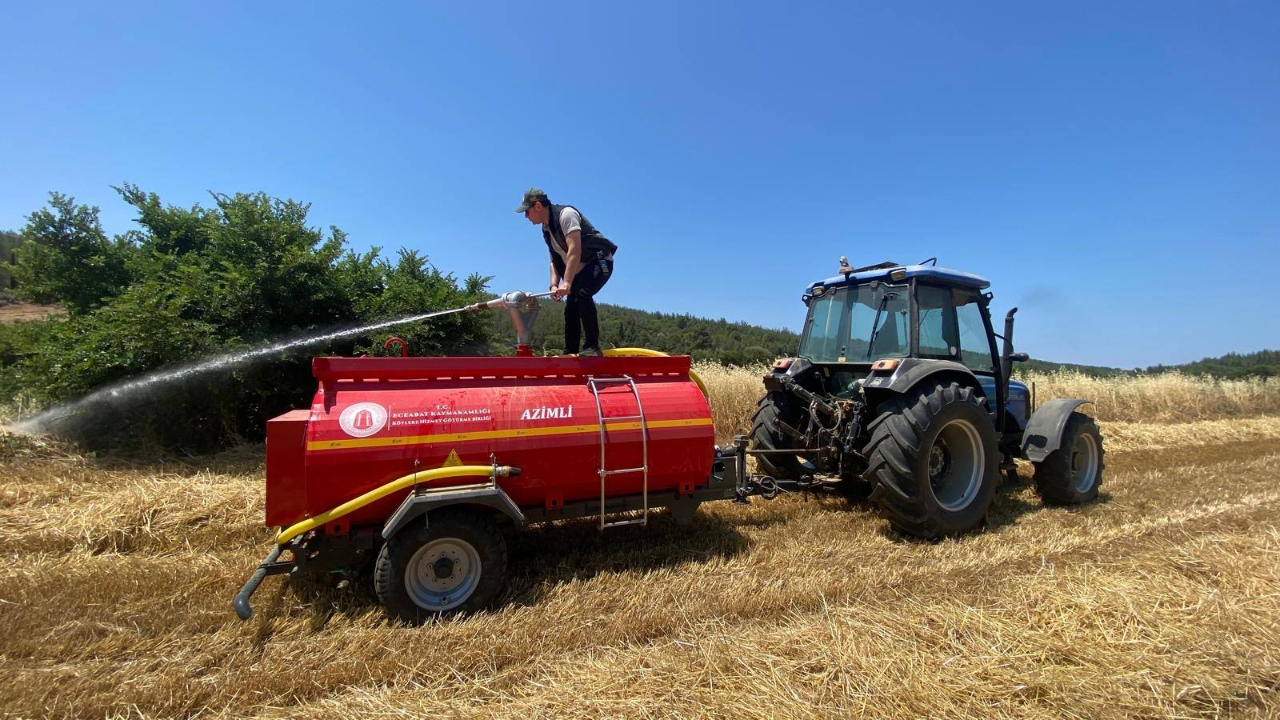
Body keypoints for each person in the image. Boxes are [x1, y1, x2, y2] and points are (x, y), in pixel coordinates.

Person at [516, 188, 618, 356]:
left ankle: (592, 347)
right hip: (579, 268)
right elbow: (554, 260)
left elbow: (574, 250)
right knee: (571, 308)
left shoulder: (566, 215)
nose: (526, 216)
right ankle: (570, 352)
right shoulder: (546, 229)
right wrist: (554, 285)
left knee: (582, 294)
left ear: (538, 206)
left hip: (599, 261)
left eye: (527, 212)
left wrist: (567, 282)